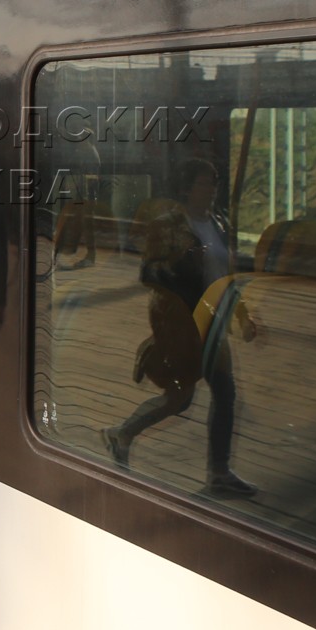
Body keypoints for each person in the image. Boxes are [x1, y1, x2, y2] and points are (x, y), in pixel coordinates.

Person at [103, 158, 259, 497]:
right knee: (182, 398)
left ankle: (217, 471)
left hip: (212, 322)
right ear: (188, 188)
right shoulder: (170, 225)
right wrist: (182, 267)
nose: (212, 189)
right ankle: (123, 433)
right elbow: (150, 274)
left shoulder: (217, 223)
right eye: (206, 183)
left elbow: (224, 276)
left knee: (218, 392)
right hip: (182, 322)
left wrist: (242, 315)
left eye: (215, 183)